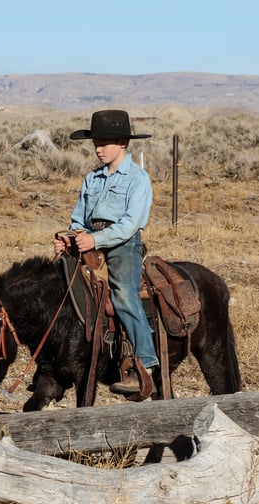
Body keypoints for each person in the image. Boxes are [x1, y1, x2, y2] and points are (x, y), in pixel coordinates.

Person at [54, 109, 159, 395]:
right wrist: (70, 237)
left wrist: (95, 240)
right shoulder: (92, 179)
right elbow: (79, 218)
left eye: (105, 143)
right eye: (95, 143)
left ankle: (145, 363)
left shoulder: (138, 179)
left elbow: (129, 225)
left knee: (124, 294)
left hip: (122, 244)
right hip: (88, 239)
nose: (98, 149)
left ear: (123, 143)